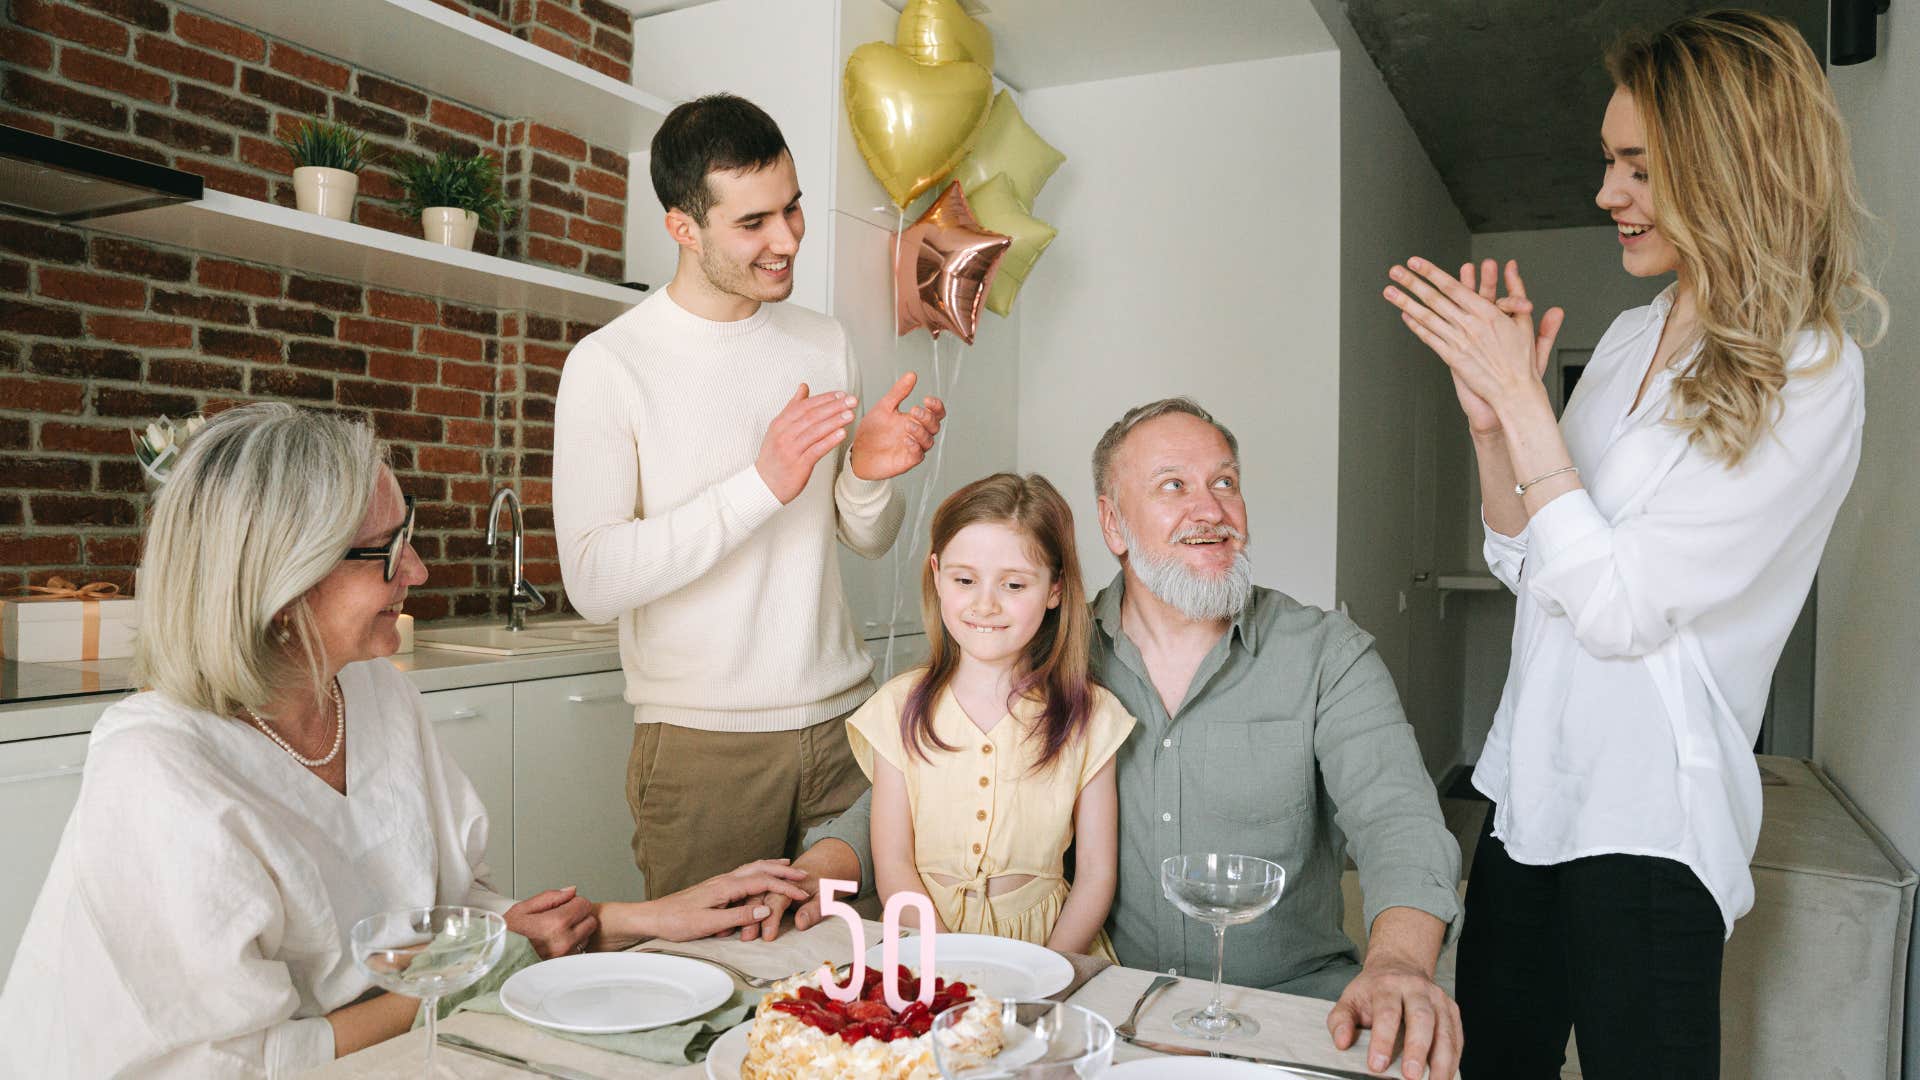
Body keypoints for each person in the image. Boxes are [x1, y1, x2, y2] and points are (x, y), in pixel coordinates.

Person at [0, 404, 815, 1077]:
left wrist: (650, 919)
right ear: (281, 583)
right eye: (386, 552)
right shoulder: (158, 770)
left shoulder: (374, 692)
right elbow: (241, 1060)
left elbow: (453, 920)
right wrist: (494, 964)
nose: (418, 570)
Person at [1381, 12, 1885, 1077]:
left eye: (1638, 167)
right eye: (1609, 163)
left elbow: (1617, 608)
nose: (1607, 194)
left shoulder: (1809, 370)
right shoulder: (1624, 339)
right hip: (1530, 791)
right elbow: (1534, 568)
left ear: (1729, 168)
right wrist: (1491, 424)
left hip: (1651, 817)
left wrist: (1528, 403)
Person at [758, 399, 1466, 1080]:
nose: (1211, 509)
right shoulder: (1035, 648)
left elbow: (1399, 823)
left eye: (1225, 482)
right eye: (1173, 486)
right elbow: (922, 779)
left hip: (1282, 1009)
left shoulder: (1325, 656)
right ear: (1113, 524)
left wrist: (1400, 963)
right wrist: (813, 869)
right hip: (1103, 1008)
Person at [553, 93, 946, 901]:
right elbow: (592, 580)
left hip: (846, 729)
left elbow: (860, 538)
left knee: (856, 989)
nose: (787, 239)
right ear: (683, 227)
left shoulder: (822, 339)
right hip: (703, 752)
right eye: (754, 222)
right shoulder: (609, 363)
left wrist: (867, 479)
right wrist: (759, 485)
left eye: (793, 209)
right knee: (713, 994)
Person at [850, 473, 1133, 958]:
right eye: (964, 580)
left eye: (1014, 584)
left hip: (1049, 949)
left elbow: (1095, 875)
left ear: (1055, 589)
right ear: (937, 575)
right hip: (925, 946)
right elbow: (894, 864)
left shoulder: (1092, 716)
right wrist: (946, 963)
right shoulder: (894, 709)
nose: (985, 604)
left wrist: (1050, 973)